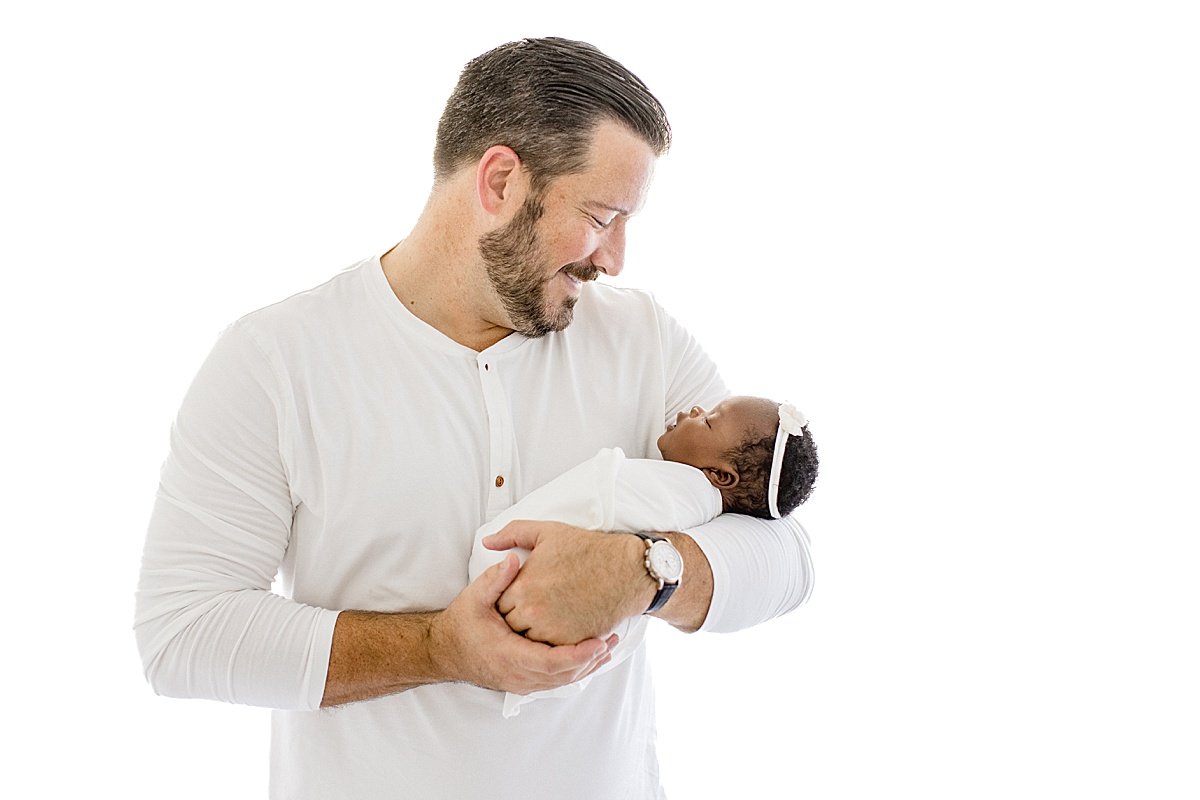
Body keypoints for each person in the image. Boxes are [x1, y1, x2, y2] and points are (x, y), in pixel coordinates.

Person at [134, 37, 815, 799]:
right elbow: (182, 636)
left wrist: (645, 571)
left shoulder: (643, 341)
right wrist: (439, 648)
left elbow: (785, 557)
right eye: (600, 216)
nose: (615, 259)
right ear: (499, 181)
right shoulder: (275, 361)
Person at [468, 396, 819, 717]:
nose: (696, 409)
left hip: (510, 581)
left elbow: (793, 558)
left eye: (709, 418)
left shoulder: (683, 494)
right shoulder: (701, 493)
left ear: (720, 475)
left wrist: (630, 569)